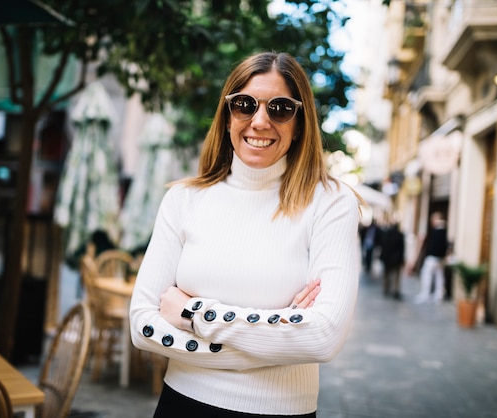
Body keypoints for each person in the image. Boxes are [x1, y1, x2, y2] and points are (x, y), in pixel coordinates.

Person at [129, 51, 361, 418]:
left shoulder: (330, 203)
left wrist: (193, 313)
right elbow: (142, 325)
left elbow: (323, 336)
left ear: (300, 122)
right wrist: (275, 338)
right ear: (227, 116)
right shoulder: (184, 199)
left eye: (281, 108)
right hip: (182, 405)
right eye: (244, 105)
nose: (260, 121)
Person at [413, 211, 449, 304]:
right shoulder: (444, 230)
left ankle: (426, 294)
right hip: (439, 258)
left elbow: (436, 245)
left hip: (433, 258)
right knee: (439, 277)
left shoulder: (438, 230)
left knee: (427, 275)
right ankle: (438, 295)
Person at [377, 220, 405, 300]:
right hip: (396, 259)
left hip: (387, 258)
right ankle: (395, 290)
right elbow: (402, 249)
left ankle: (386, 289)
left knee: (386, 274)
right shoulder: (400, 235)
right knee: (396, 276)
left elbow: (383, 246)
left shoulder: (387, 234)